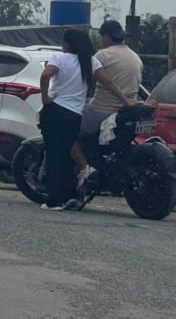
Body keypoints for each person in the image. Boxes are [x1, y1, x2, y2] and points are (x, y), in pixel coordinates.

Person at [38, 29, 130, 211]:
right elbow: (109, 83)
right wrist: (127, 101)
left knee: (53, 155)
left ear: (67, 44)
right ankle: (69, 196)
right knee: (65, 155)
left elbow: (45, 75)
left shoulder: (59, 58)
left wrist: (45, 98)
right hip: (74, 115)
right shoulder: (91, 61)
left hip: (55, 111)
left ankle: (54, 200)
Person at [73, 20, 144, 188]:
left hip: (102, 110)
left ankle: (85, 169)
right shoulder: (135, 57)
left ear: (106, 36)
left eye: (102, 37)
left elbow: (85, 80)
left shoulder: (102, 55)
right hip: (125, 111)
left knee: (68, 133)